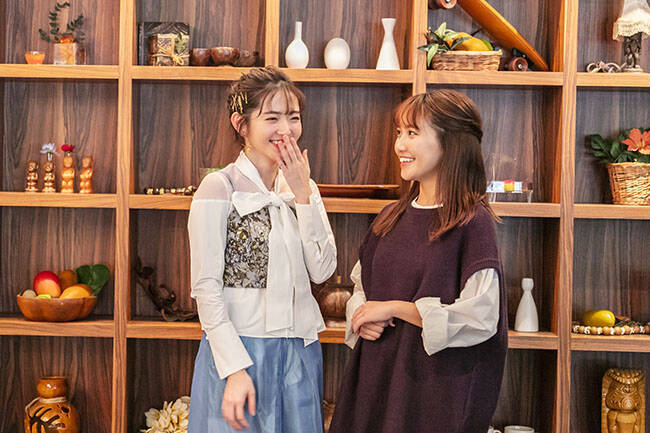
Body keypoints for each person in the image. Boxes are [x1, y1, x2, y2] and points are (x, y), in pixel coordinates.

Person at [329, 90, 508, 433]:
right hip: (375, 383)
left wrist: (396, 309)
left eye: (413, 133)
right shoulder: (389, 217)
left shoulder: (472, 222)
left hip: (433, 395)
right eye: (399, 132)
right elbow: (361, 289)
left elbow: (482, 317)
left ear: (450, 143)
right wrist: (362, 318)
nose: (400, 145)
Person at [187, 66, 337, 433]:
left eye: (293, 117)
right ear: (241, 125)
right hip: (239, 355)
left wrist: (303, 194)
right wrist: (235, 370)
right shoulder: (218, 187)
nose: (286, 129)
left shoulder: (304, 186)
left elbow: (323, 270)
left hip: (300, 353)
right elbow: (206, 288)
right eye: (272, 118)